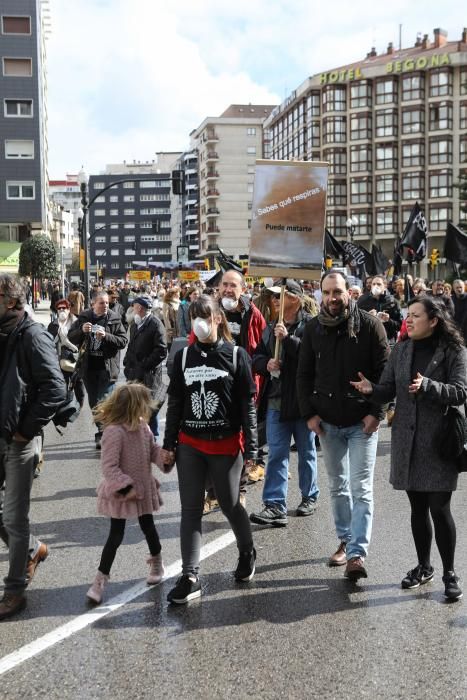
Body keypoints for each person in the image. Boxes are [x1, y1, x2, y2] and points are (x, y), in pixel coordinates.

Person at [350, 296, 467, 600]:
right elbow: (389, 388)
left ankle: (449, 573)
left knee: (440, 510)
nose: (409, 320)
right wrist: (371, 390)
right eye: (408, 315)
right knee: (417, 509)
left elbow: (461, 392)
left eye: (416, 315)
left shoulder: (455, 351)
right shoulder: (401, 349)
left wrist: (429, 386)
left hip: (439, 442)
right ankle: (424, 566)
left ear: (434, 320)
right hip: (407, 441)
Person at [162, 294, 258, 604]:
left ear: (218, 319)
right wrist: (168, 445)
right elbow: (175, 402)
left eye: (204, 316)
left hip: (226, 446)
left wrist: (253, 447)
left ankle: (247, 551)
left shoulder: (235, 355)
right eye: (193, 317)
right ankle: (190, 576)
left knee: (230, 504)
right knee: (190, 509)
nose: (198, 323)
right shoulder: (184, 356)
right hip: (191, 445)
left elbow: (247, 405)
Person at [296, 270, 389, 580]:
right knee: (338, 486)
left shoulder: (371, 325)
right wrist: (309, 414)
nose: (333, 298)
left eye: (338, 292)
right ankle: (346, 540)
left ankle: (357, 555)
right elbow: (303, 375)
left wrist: (377, 411)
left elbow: (385, 372)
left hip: (362, 422)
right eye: (327, 292)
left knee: (361, 488)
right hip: (328, 424)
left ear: (349, 292)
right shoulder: (313, 328)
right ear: (321, 294)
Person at [0, 274, 66, 620]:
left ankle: (14, 591)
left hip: (18, 440)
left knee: (14, 517)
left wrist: (26, 432)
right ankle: (31, 549)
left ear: (11, 301)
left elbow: (55, 388)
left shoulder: (31, 334)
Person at [86, 384, 166, 604]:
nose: (147, 408)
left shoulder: (143, 427)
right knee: (115, 536)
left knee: (148, 527)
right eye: (143, 404)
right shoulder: (114, 432)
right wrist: (126, 487)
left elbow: (152, 451)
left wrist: (164, 458)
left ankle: (157, 561)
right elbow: (109, 467)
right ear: (134, 406)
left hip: (143, 487)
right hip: (123, 492)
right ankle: (100, 579)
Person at [249, 280, 319, 526]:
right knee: (277, 453)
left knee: (306, 451)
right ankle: (274, 504)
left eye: (280, 296)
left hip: (302, 401)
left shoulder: (311, 325)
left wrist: (288, 339)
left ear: (296, 299)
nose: (275, 300)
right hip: (277, 399)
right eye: (273, 297)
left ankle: (309, 496)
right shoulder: (270, 327)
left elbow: (313, 359)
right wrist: (265, 365)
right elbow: (256, 356)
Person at [68, 291, 127, 449]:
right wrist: (81, 330)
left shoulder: (114, 318)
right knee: (94, 402)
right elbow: (71, 337)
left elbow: (123, 341)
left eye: (107, 303)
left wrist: (106, 336)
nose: (105, 305)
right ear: (93, 304)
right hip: (89, 368)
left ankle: (105, 434)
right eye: (102, 303)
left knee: (104, 401)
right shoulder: (85, 317)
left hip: (107, 369)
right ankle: (104, 431)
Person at [123, 295, 167, 438]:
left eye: (134, 307)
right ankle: (139, 436)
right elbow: (131, 345)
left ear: (140, 308)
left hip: (149, 374)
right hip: (134, 372)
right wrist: (126, 363)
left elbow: (161, 350)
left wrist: (145, 365)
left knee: (149, 407)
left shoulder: (155, 324)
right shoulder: (135, 324)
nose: (132, 309)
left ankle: (152, 437)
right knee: (135, 405)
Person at [47, 298, 85, 407]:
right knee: (62, 383)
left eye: (64, 308)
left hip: (76, 357)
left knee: (78, 382)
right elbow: (49, 342)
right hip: (59, 358)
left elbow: (83, 339)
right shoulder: (53, 325)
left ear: (69, 309)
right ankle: (64, 406)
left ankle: (80, 404)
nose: (62, 310)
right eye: (59, 308)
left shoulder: (77, 323)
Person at [357, 275, 403, 344]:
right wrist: (368, 317)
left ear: (385, 286)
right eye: (374, 284)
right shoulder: (362, 300)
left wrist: (388, 320)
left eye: (379, 284)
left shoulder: (393, 301)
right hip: (368, 340)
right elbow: (355, 322)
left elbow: (400, 325)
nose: (376, 286)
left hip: (387, 341)